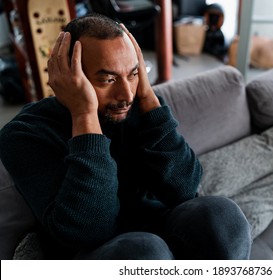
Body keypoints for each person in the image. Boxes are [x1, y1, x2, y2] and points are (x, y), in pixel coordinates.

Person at [0, 14, 251, 260]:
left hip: (157, 232)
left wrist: (149, 100)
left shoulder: (140, 106)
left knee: (222, 214)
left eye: (132, 74)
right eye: (108, 79)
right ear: (66, 75)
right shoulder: (24, 134)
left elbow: (185, 189)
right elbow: (88, 231)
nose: (126, 95)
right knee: (144, 249)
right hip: (96, 252)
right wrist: (84, 114)